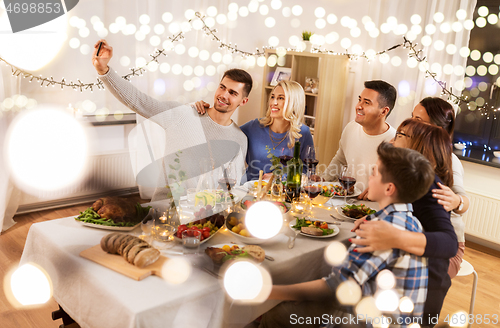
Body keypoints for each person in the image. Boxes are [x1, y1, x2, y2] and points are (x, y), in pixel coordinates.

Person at [259, 142, 435, 328]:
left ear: (389, 189)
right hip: (394, 315)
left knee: (277, 314)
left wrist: (268, 292)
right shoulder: (411, 221)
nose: (369, 175)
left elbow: (337, 286)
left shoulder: (382, 230)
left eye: (374, 172)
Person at [91, 39, 252, 202]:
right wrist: (104, 70)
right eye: (222, 87)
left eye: (233, 93)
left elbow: (234, 186)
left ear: (243, 101)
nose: (224, 95)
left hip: (207, 215)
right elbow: (139, 101)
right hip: (167, 210)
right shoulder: (184, 115)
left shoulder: (239, 139)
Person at [353, 119, 458, 326]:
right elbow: (411, 215)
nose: (392, 140)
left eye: (400, 135)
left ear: (419, 145)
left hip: (423, 289)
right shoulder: (413, 181)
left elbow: (449, 242)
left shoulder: (431, 187)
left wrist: (395, 237)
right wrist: (375, 218)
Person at [194, 80, 314, 181]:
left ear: (293, 102)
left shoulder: (303, 133)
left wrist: (281, 177)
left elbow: (308, 171)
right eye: (273, 97)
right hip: (249, 192)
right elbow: (226, 137)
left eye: (281, 98)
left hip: (284, 194)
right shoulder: (254, 127)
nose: (273, 102)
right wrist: (201, 113)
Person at [412, 97, 469, 278]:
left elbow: (464, 201)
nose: (410, 124)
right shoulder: (411, 155)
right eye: (411, 117)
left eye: (418, 120)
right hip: (418, 236)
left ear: (436, 128)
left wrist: (457, 201)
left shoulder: (450, 161)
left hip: (447, 248)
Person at [319, 80, 397, 194]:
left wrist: (379, 191)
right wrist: (323, 179)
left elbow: (396, 183)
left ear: (383, 111)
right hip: (346, 201)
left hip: (373, 206)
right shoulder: (351, 127)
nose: (358, 106)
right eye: (359, 100)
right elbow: (340, 160)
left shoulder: (395, 142)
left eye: (366, 103)